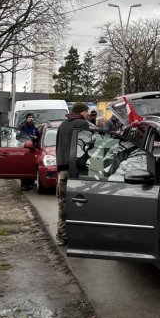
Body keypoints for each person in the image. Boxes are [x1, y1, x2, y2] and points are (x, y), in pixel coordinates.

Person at [55, 102, 91, 246]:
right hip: (76, 169)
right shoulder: (83, 124)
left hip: (62, 168)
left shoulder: (63, 124)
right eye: (87, 111)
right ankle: (78, 235)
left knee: (63, 202)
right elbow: (87, 146)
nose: (88, 114)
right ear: (81, 112)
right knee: (80, 202)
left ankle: (61, 235)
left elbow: (58, 146)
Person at [18, 113, 40, 191]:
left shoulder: (35, 128)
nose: (31, 119)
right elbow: (18, 137)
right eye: (29, 117)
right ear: (26, 118)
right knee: (24, 167)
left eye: (32, 117)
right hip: (24, 150)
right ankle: (24, 184)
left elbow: (38, 137)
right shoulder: (22, 127)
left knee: (32, 166)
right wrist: (27, 137)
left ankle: (30, 183)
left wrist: (36, 137)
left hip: (32, 150)